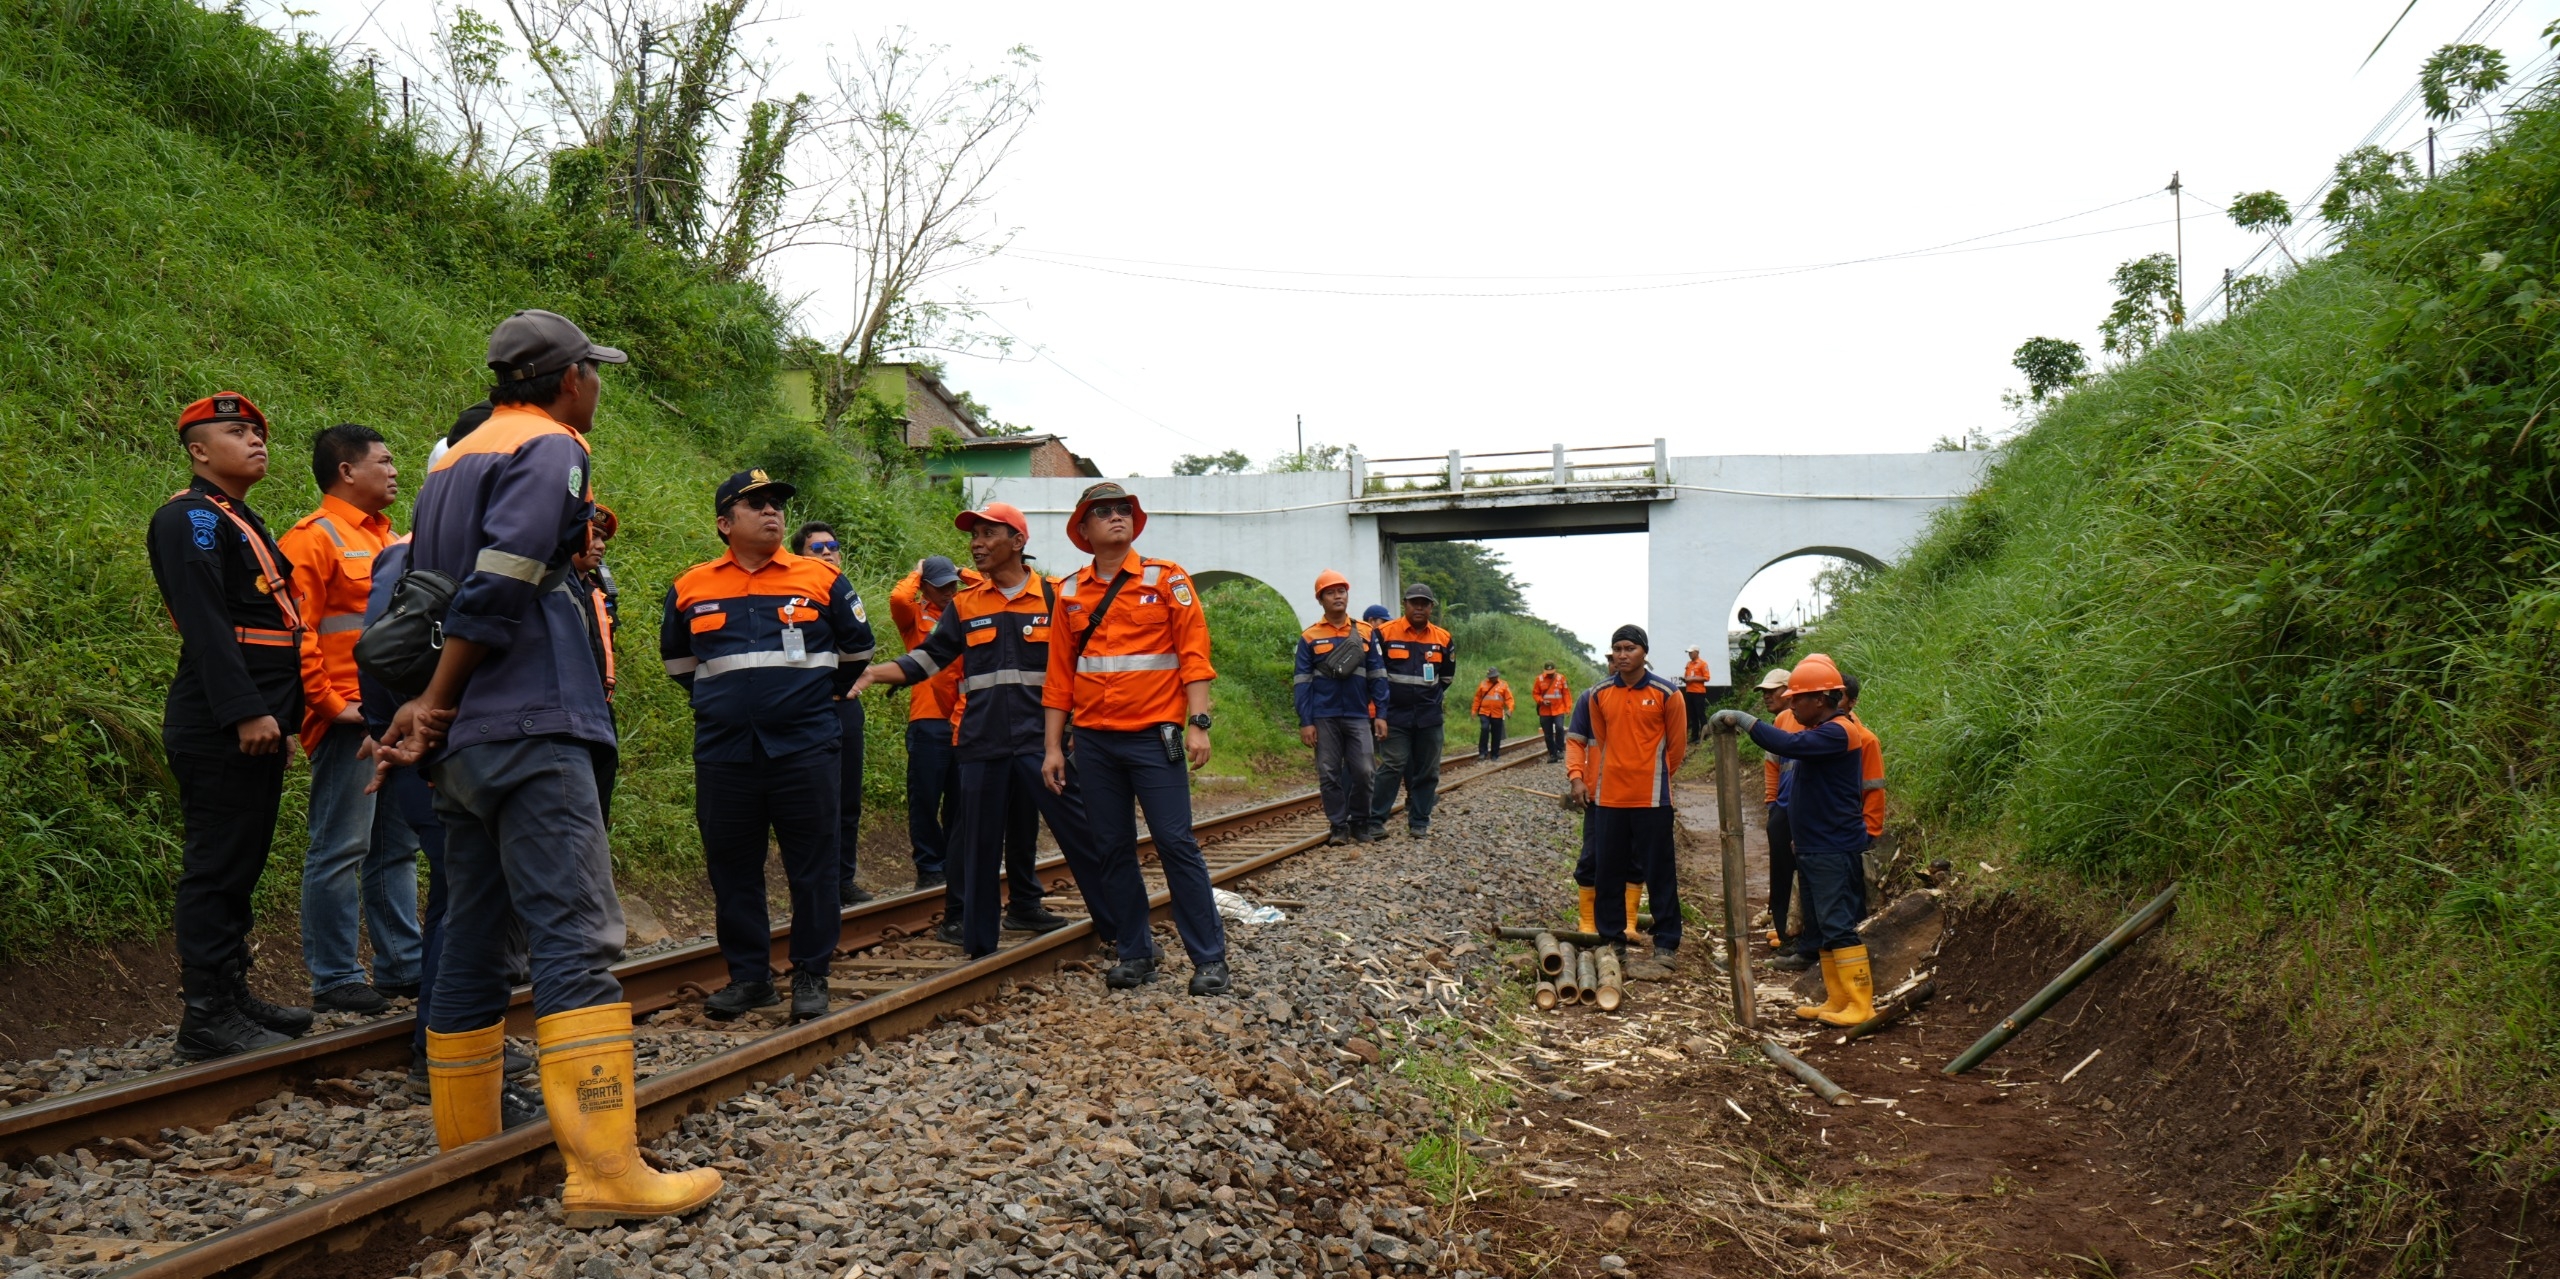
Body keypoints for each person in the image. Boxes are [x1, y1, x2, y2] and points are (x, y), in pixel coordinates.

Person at [378, 309, 721, 1223]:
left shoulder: (450, 462)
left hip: (469, 746)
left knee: (474, 936)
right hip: (531, 720)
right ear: (570, 379)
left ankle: (466, 1153)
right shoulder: (551, 445)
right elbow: (504, 576)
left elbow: (425, 592)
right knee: (574, 934)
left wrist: (434, 706)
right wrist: (438, 695)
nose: (597, 387)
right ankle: (606, 1171)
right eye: (594, 372)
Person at [854, 502, 1145, 965]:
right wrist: (873, 674)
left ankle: (1124, 935)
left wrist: (1077, 730)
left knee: (1087, 838)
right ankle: (980, 946)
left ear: (1018, 542)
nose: (977, 544)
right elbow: (927, 659)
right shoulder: (965, 605)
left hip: (1043, 746)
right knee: (978, 850)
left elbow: (1085, 666)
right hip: (982, 746)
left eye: (989, 534)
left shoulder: (1055, 598)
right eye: (974, 535)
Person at [662, 472, 874, 1024]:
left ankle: (811, 973)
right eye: (755, 504)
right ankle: (751, 979)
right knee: (732, 868)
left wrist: (806, 700)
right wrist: (729, 704)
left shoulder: (822, 579)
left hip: (805, 747)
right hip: (725, 752)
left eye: (776, 503)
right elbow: (679, 664)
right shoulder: (691, 587)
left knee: (813, 866)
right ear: (724, 523)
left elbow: (857, 652)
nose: (771, 511)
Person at [148, 392, 316, 1060]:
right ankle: (206, 1014)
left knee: (239, 864)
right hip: (222, 723)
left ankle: (231, 992)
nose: (255, 440)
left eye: (258, 432)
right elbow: (208, 624)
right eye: (236, 431)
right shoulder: (190, 519)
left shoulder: (236, 518)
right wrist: (246, 710)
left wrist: (280, 718)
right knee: (216, 867)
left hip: (256, 723)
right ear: (198, 451)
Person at [1039, 481, 1233, 995]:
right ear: (1083, 528)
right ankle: (1135, 953)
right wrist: (1054, 747)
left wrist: (1199, 723)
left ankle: (1209, 959)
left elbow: (1194, 656)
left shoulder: (1167, 579)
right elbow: (1059, 677)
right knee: (1112, 848)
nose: (1116, 516)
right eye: (1102, 511)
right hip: (1094, 743)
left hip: (1154, 736)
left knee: (1175, 843)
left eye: (1123, 509)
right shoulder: (1069, 592)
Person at [281, 423, 421, 1014]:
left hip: (391, 716)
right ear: (346, 470)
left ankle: (403, 966)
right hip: (350, 722)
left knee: (396, 846)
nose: (394, 470)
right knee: (340, 847)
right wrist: (332, 706)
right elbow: (297, 632)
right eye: (383, 461)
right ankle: (335, 975)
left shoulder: (391, 538)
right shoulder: (312, 539)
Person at [1710, 653, 1880, 1027]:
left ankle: (1860, 1003)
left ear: (1819, 699)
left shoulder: (1838, 731)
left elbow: (1788, 744)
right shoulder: (1821, 731)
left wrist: (1744, 720)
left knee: (1838, 924)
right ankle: (1838, 999)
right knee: (1823, 924)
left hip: (1833, 846)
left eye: (1797, 699)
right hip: (1816, 845)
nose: (1791, 705)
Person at [1567, 625, 1687, 980]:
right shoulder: (1598, 694)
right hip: (1609, 799)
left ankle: (1666, 944)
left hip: (1652, 799)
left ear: (1644, 652)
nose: (1622, 655)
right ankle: (1612, 940)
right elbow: (1602, 742)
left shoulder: (1668, 694)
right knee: (1608, 871)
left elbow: (1676, 747)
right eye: (1617, 648)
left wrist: (1653, 776)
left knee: (1660, 872)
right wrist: (1585, 777)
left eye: (1629, 648)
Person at [791, 520, 874, 906]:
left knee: (847, 799)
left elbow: (861, 649)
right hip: (807, 712)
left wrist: (844, 685)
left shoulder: (845, 595)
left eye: (832, 546)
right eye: (816, 548)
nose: (826, 552)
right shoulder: (790, 600)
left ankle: (843, 879)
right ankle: (814, 884)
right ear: (799, 556)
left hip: (845, 708)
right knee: (810, 801)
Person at [887, 555, 965, 892]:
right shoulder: (915, 617)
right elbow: (898, 598)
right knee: (925, 799)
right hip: (928, 721)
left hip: (964, 720)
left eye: (953, 585)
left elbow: (991, 586)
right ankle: (930, 866)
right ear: (925, 588)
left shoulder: (965, 613)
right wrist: (916, 572)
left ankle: (956, 862)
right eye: (942, 586)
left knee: (961, 800)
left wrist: (961, 571)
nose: (949, 591)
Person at [1294, 569, 1387, 846]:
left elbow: (1378, 675)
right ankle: (1338, 826)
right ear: (1320, 599)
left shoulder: (1366, 632)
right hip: (1324, 715)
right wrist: (1306, 721)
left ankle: (1360, 822)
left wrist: (1381, 714)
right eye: (1331, 593)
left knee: (1365, 770)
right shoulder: (1309, 636)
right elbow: (1302, 682)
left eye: (1341, 591)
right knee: (1329, 773)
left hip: (1358, 714)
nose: (1338, 596)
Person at [1368, 582, 1457, 839]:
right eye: (1414, 603)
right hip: (1394, 714)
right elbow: (1375, 674)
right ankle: (1375, 820)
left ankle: (1419, 820)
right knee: (1393, 764)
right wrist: (1381, 710)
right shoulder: (1384, 633)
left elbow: (1447, 677)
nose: (1419, 607)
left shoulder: (1443, 638)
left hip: (1429, 716)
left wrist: (1429, 698)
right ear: (1404, 604)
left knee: (1427, 770)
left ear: (1431, 607)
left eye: (1424, 603)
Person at [571, 505, 622, 821]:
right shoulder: (549, 588)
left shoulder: (598, 591)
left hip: (601, 710)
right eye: (593, 535)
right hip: (566, 711)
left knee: (597, 809)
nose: (600, 546)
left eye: (603, 538)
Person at [1532, 662, 1571, 763]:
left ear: (1555, 670)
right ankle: (1553, 754)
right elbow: (1535, 694)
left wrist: (1568, 708)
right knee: (1548, 734)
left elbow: (1566, 694)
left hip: (1559, 709)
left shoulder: (1561, 678)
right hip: (1545, 711)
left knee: (1559, 727)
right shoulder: (1539, 679)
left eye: (1551, 672)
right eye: (1548, 672)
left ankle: (1560, 750)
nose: (1550, 674)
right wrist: (1542, 701)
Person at [1472, 667, 1513, 760]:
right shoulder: (1483, 684)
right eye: (1491, 677)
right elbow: (1477, 698)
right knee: (1484, 728)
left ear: (1497, 676)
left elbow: (1509, 699)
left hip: (1497, 713)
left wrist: (1510, 709)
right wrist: (1474, 710)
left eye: (1494, 677)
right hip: (1484, 712)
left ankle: (1495, 754)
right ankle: (1482, 752)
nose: (1493, 678)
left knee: (1496, 733)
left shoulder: (1504, 685)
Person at [1681, 647, 1713, 745]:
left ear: (1697, 652)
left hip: (1699, 692)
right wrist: (1685, 679)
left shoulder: (1703, 664)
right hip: (1689, 691)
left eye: (1691, 652)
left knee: (1700, 714)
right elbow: (1687, 676)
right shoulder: (1688, 664)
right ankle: (1694, 736)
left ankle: (1705, 735)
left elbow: (1707, 678)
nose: (1690, 654)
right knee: (1693, 715)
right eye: (1689, 653)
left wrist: (1693, 679)